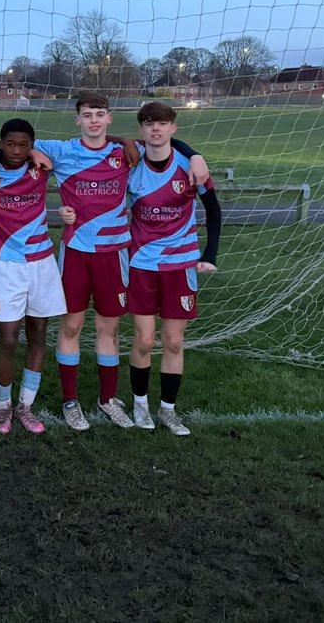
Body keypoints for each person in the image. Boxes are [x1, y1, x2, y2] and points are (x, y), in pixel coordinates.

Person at [0, 93, 208, 431]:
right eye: (87, 115)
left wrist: (195, 154)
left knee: (109, 329)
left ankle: (108, 398)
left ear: (109, 118)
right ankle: (70, 402)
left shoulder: (125, 152)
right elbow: (17, 142)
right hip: (74, 253)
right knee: (71, 325)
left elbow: (163, 141)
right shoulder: (62, 151)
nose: (94, 121)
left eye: (100, 115)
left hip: (115, 253)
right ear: (78, 120)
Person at [0, 119, 66, 435]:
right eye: (10, 144)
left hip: (43, 263)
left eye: (24, 145)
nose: (17, 150)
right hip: (7, 265)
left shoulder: (41, 163)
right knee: (8, 339)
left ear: (32, 145)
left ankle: (25, 407)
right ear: (0, 142)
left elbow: (90, 142)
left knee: (38, 335)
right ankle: (2, 408)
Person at [126, 102, 221, 436]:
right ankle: (139, 405)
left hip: (180, 265)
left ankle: (168, 410)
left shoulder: (190, 167)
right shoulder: (131, 162)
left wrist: (210, 253)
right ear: (142, 129)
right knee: (144, 339)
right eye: (149, 123)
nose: (156, 129)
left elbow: (213, 209)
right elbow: (99, 140)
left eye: (163, 123)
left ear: (173, 128)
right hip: (140, 263)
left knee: (174, 342)